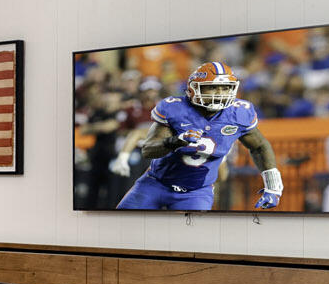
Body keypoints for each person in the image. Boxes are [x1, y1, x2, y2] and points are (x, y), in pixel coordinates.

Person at [115, 61, 285, 211]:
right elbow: (148, 150)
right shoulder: (174, 108)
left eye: (225, 88)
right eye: (212, 87)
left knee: (191, 241)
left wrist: (273, 186)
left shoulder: (239, 113)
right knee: (121, 226)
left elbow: (260, 146)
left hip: (196, 192)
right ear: (193, 88)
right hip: (155, 183)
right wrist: (175, 141)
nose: (219, 93)